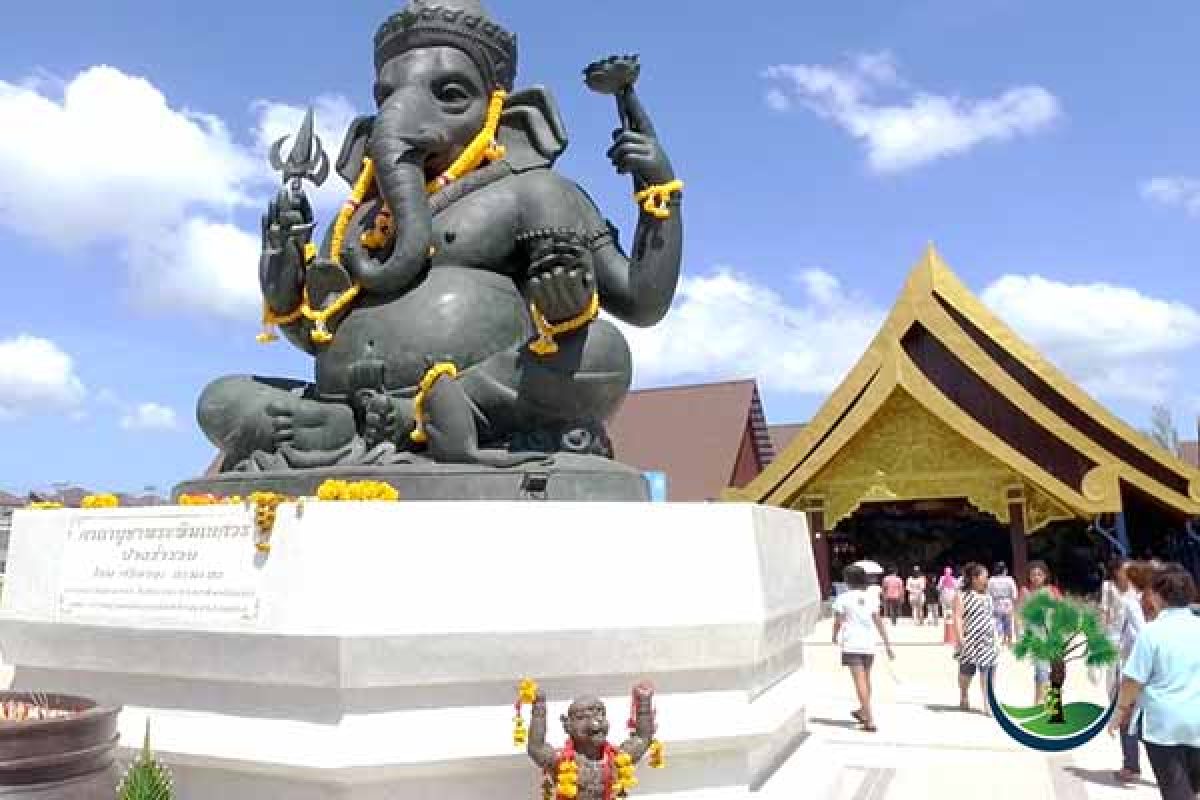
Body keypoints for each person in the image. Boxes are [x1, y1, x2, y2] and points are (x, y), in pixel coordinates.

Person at [1109, 565, 1200, 800]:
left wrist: (1120, 711)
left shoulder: (1152, 633)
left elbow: (1133, 680)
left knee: (1176, 792)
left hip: (1163, 726)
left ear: (1158, 596)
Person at [832, 565, 896, 733]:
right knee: (866, 679)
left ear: (848, 581)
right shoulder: (871, 598)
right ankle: (863, 709)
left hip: (852, 643)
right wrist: (887, 643)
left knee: (859, 680)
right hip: (869, 643)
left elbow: (838, 621)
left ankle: (869, 718)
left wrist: (834, 636)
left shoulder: (843, 598)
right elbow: (878, 621)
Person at [1104, 559, 1147, 784]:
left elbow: (1142, 635)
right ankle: (1131, 764)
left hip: (1141, 667)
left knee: (1131, 717)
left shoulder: (1139, 599)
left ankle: (1131, 765)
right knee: (1130, 716)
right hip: (1130, 665)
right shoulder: (1120, 597)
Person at [954, 562, 999, 715]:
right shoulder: (962, 596)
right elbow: (958, 618)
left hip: (988, 641)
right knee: (966, 674)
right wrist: (960, 639)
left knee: (988, 672)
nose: (987, 579)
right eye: (985, 576)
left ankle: (988, 703)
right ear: (974, 578)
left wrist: (997, 638)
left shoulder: (988, 596)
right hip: (970, 640)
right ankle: (964, 693)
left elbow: (991, 617)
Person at [1019, 560, 1061, 706]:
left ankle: (1048, 701)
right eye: (1033, 574)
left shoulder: (1052, 591)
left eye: (1039, 574)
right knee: (1042, 670)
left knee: (1055, 672)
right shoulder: (1025, 592)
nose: (1036, 577)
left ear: (1045, 576)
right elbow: (1021, 614)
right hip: (1037, 637)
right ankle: (1040, 702)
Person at [987, 561, 1019, 647]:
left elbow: (988, 592)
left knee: (998, 622)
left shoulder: (991, 580)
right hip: (1007, 602)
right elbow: (1014, 593)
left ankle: (1002, 639)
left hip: (996, 602)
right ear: (1004, 570)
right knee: (1008, 622)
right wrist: (1014, 602)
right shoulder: (1009, 579)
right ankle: (1009, 639)